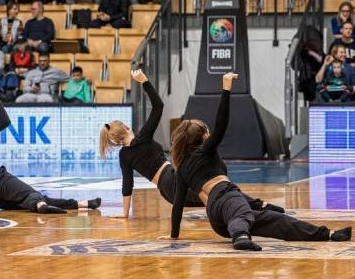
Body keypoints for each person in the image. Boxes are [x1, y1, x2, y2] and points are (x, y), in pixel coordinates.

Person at [158, 73, 352, 251]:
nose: (210, 135)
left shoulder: (182, 168)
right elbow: (221, 123)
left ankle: (327, 234)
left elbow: (178, 204)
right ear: (203, 138)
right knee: (241, 211)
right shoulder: (205, 151)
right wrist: (226, 89)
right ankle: (241, 237)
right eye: (207, 133)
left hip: (221, 217)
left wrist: (173, 234)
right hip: (226, 202)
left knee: (279, 221)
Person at [100, 69, 285, 218]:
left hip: (166, 191)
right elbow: (158, 106)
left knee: (214, 195)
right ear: (126, 127)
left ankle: (256, 207)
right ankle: (254, 210)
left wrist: (125, 213)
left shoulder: (124, 155)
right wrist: (144, 81)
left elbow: (128, 185)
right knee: (218, 190)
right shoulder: (143, 137)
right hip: (172, 178)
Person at [0, 87, 101, 213]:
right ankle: (41, 206)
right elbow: (5, 122)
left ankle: (82, 204)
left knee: (31, 198)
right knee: (33, 195)